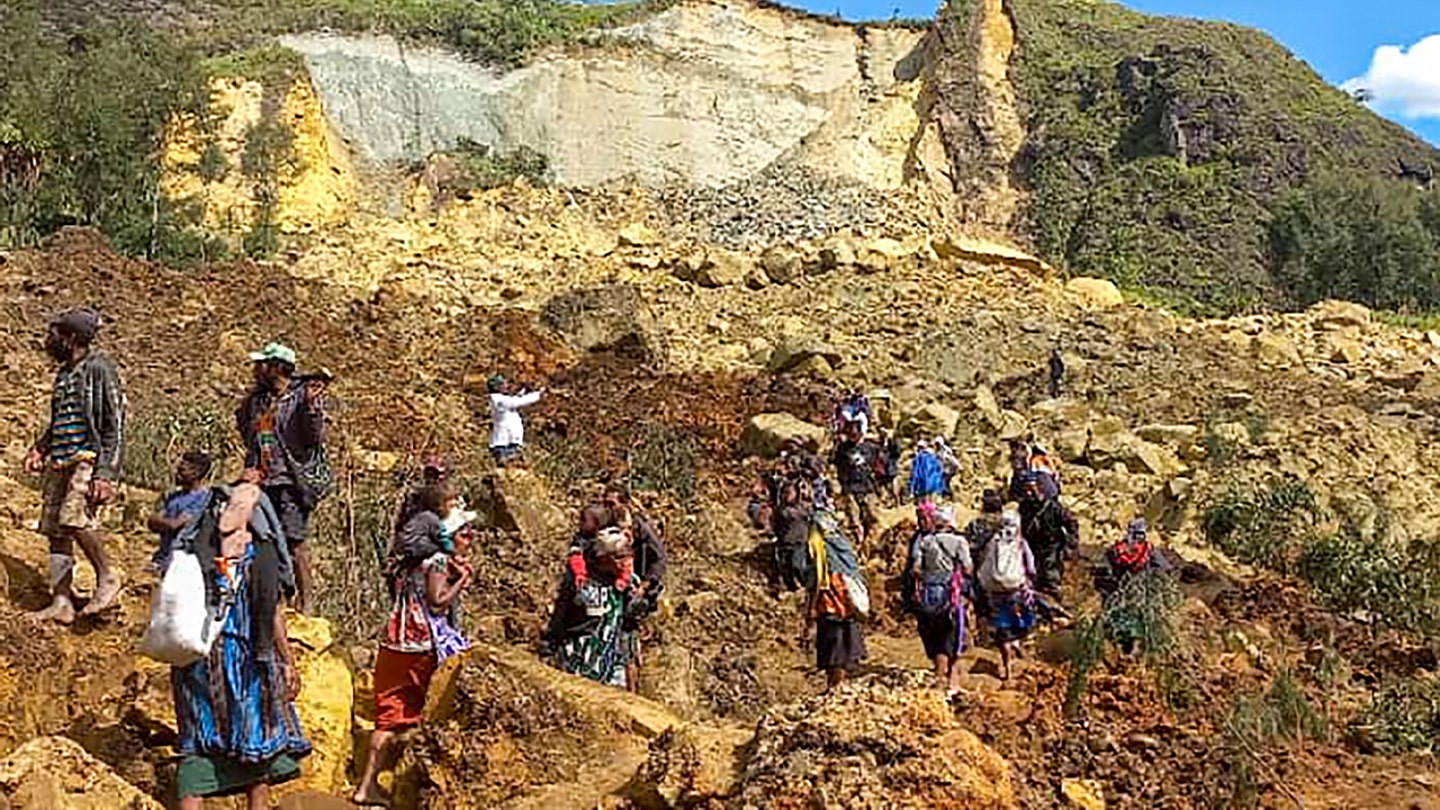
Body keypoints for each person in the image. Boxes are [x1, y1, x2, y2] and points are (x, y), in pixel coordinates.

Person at [170, 482, 310, 809]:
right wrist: (287, 660)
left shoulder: (195, 547)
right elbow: (272, 613)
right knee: (254, 749)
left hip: (196, 660)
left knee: (198, 744)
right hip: (245, 663)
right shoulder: (260, 555)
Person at [356, 482, 473, 806]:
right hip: (421, 645)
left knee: (388, 717)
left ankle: (366, 787)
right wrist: (460, 581)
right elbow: (436, 603)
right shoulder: (435, 561)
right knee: (430, 711)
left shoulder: (405, 559)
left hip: (393, 641)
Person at [24, 307, 125, 623]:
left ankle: (107, 577)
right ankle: (62, 601)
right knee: (55, 530)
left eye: (54, 334)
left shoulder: (99, 368)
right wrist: (40, 448)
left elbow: (115, 423)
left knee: (73, 517)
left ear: (71, 337)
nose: (48, 340)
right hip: (61, 459)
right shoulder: (64, 373)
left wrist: (106, 472)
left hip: (87, 458)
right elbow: (59, 421)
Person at [236, 342, 328, 615]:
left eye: (261, 364)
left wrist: (312, 409)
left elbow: (314, 439)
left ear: (276, 367)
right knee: (264, 539)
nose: (256, 369)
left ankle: (306, 602)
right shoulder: (257, 401)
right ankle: (276, 598)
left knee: (295, 541)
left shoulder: (302, 397)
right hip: (262, 481)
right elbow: (246, 430)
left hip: (290, 481)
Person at [545, 526, 635, 688]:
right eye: (619, 557)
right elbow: (562, 612)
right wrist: (551, 641)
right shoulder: (582, 582)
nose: (625, 562)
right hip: (577, 657)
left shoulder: (627, 582)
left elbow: (628, 625)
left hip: (612, 662)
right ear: (603, 558)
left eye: (628, 556)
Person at [602, 485, 667, 691]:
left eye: (611, 504)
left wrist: (644, 586)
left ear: (625, 504)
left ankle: (632, 691)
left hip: (637, 589)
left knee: (626, 635)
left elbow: (660, 559)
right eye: (605, 504)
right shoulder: (607, 526)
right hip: (615, 587)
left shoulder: (641, 528)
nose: (608, 508)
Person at [905, 502, 971, 692]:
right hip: (950, 595)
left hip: (928, 594)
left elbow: (915, 569)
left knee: (933, 633)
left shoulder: (925, 542)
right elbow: (968, 567)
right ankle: (948, 678)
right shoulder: (959, 542)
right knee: (952, 634)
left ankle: (941, 673)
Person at [799, 509, 867, 687]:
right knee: (844, 647)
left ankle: (835, 687)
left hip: (830, 604)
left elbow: (817, 582)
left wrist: (810, 610)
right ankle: (841, 685)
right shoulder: (842, 544)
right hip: (848, 603)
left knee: (834, 651)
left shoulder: (818, 548)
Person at [977, 507, 1037, 680]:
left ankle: (1007, 668)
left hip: (995, 594)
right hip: (1016, 591)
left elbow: (984, 565)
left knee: (1002, 629)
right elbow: (1031, 567)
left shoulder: (993, 541)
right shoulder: (1020, 542)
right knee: (1020, 623)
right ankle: (1016, 643)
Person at [147, 452, 214, 574]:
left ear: (196, 473)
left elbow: (175, 524)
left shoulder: (203, 498)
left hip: (181, 560)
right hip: (163, 558)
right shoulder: (173, 497)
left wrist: (161, 522)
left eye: (182, 470)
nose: (177, 474)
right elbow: (151, 522)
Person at [1018, 472, 1076, 600]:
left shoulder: (1053, 507)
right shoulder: (1024, 507)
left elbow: (1070, 523)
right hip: (1032, 545)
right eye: (1026, 490)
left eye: (1031, 489)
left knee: (1051, 576)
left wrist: (1071, 543)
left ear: (1039, 488)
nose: (1029, 493)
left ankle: (1056, 598)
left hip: (1052, 545)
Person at [831, 422, 880, 548]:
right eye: (850, 433)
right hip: (850, 488)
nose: (853, 435)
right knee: (854, 518)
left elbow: (882, 459)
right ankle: (858, 544)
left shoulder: (870, 447)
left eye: (855, 432)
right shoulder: (842, 449)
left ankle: (871, 544)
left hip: (868, 487)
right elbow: (836, 464)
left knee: (872, 515)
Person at [487, 374, 543, 467]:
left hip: (507, 443)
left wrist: (524, 390)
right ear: (496, 386)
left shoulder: (500, 399)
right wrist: (538, 394)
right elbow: (517, 401)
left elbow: (514, 399)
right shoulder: (499, 400)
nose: (506, 386)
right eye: (502, 384)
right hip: (504, 444)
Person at [907, 439, 946, 505]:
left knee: (923, 507)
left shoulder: (919, 459)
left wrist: (912, 490)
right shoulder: (935, 458)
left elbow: (915, 474)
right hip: (933, 487)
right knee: (932, 506)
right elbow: (939, 474)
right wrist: (939, 491)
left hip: (922, 486)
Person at [874, 427, 902, 506]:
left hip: (890, 468)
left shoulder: (892, 444)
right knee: (882, 487)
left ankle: (897, 502)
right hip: (882, 470)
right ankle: (884, 502)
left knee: (893, 487)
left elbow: (896, 452)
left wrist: (890, 439)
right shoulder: (879, 444)